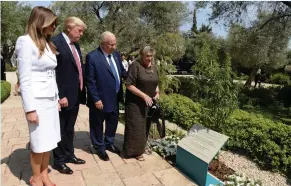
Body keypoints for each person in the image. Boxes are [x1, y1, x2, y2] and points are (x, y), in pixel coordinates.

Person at [15, 6, 60, 186]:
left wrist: (56, 98)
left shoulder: (48, 44)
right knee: (38, 142)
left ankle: (45, 175)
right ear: (40, 22)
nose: (54, 27)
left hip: (50, 99)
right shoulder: (25, 42)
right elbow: (24, 79)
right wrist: (30, 109)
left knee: (49, 141)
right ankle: (37, 178)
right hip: (37, 101)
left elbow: (51, 74)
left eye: (56, 24)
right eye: (52, 23)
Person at [51, 17, 87, 174]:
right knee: (60, 128)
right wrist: (61, 95)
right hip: (64, 96)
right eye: (79, 30)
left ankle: (69, 154)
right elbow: (54, 72)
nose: (81, 34)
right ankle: (59, 160)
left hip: (76, 94)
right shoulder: (55, 42)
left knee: (69, 128)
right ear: (69, 28)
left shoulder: (76, 46)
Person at [86, 31, 126, 161]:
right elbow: (90, 80)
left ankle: (109, 143)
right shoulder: (92, 57)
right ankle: (99, 147)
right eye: (111, 44)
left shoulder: (115, 55)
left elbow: (122, 72)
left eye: (115, 44)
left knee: (112, 122)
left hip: (115, 97)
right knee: (97, 124)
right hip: (100, 100)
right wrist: (96, 99)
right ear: (103, 44)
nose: (114, 47)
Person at [123, 46, 159, 161]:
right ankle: (134, 152)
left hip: (149, 103)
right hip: (135, 103)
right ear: (142, 56)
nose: (150, 58)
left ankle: (142, 148)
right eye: (147, 56)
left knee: (145, 127)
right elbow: (129, 85)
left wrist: (157, 92)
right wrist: (143, 95)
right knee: (136, 127)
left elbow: (156, 82)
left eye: (151, 56)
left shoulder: (154, 67)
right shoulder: (135, 65)